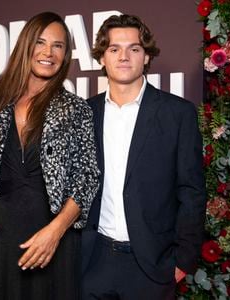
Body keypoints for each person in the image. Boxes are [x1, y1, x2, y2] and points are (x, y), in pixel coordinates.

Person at [0, 12, 99, 300]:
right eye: (40, 42)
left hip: (54, 240)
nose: (48, 52)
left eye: (58, 45)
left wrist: (54, 233)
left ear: (66, 54)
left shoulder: (75, 109)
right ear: (25, 45)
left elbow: (87, 178)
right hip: (0, 236)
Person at [82, 14, 206, 299]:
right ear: (102, 58)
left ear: (147, 56)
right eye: (114, 49)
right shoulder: (83, 114)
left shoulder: (178, 114)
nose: (124, 56)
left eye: (134, 49)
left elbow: (192, 191)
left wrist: (182, 259)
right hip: (91, 261)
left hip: (152, 266)